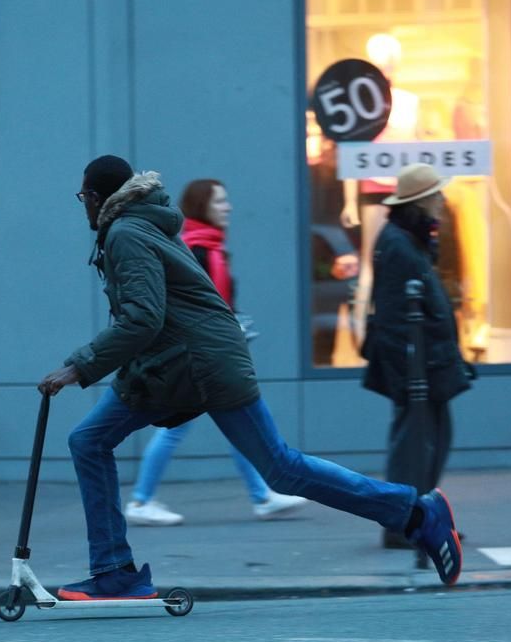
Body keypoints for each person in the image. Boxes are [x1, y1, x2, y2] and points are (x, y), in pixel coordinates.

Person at [39, 155, 462, 601]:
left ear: (99, 197)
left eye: (84, 196)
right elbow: (154, 320)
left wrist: (79, 367)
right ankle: (115, 572)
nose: (83, 205)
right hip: (169, 366)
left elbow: (143, 319)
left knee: (280, 468)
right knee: (89, 440)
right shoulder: (136, 227)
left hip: (201, 364)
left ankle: (415, 513)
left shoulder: (126, 233)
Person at [124, 179, 308, 526]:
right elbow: (190, 307)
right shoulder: (197, 249)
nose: (229, 207)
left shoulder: (210, 247)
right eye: (220, 201)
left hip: (209, 356)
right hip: (199, 360)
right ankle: (141, 500)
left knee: (235, 423)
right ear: (201, 206)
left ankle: (262, 496)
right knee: (178, 428)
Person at [360, 163, 471, 550]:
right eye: (436, 194)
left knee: (434, 440)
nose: (442, 200)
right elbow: (394, 316)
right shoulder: (398, 244)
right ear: (421, 201)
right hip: (416, 366)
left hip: (426, 362)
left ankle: (423, 518)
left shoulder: (410, 239)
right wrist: (411, 373)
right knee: (414, 446)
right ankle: (403, 525)